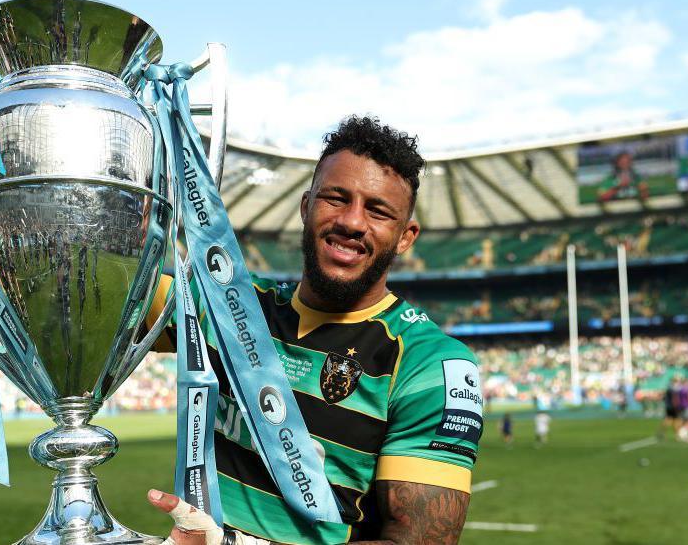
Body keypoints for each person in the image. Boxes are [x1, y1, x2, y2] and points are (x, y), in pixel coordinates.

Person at [145, 116, 482, 544]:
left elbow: (421, 541)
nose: (352, 222)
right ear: (306, 206)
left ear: (405, 237)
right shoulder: (227, 305)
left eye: (378, 211)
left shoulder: (429, 363)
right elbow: (111, 297)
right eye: (336, 199)